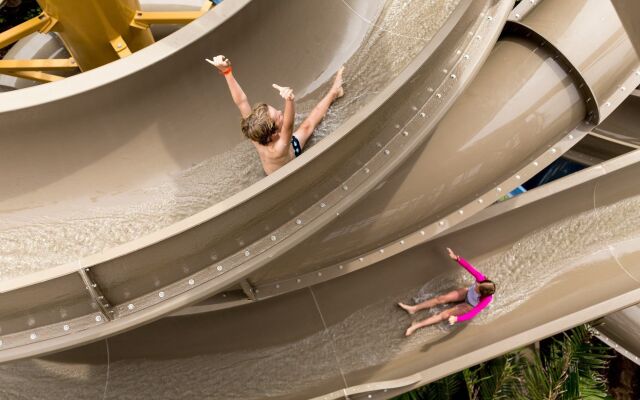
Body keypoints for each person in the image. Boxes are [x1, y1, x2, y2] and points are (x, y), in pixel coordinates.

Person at [206, 55, 344, 175]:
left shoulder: (254, 132)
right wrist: (289, 100)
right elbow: (289, 126)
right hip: (289, 158)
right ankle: (334, 92)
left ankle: (334, 92)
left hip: (284, 152)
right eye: (278, 116)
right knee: (308, 126)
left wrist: (227, 73)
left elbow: (241, 101)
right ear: (273, 133)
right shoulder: (278, 149)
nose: (280, 112)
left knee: (308, 125)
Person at [399, 248, 496, 336]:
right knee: (441, 299)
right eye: (477, 285)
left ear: (482, 294)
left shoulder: (486, 299)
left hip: (470, 305)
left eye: (477, 289)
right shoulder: (481, 279)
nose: (476, 286)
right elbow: (470, 268)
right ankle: (414, 308)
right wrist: (457, 258)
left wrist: (457, 319)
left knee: (445, 314)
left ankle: (416, 326)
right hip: (467, 293)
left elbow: (473, 313)